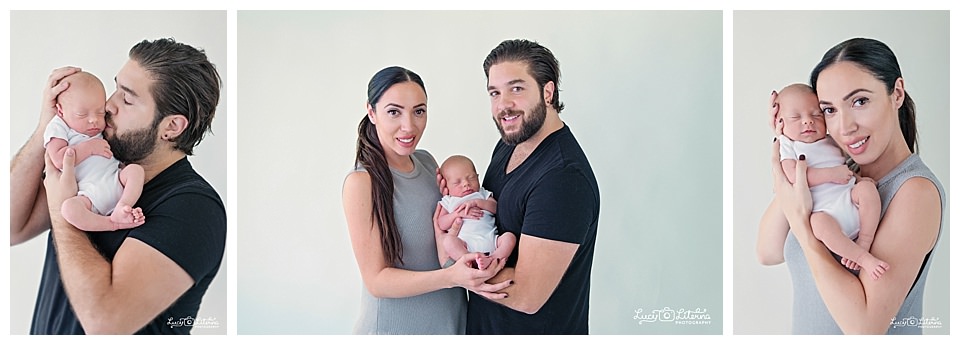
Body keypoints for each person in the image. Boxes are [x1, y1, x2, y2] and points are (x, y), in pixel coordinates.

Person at [9, 38, 226, 334]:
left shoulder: (193, 209)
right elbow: (9, 226)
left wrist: (64, 212)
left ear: (172, 127)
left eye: (127, 98)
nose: (108, 105)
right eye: (115, 88)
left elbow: (105, 323)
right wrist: (49, 129)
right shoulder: (96, 159)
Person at [758, 38, 945, 334]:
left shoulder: (913, 192)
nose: (845, 126)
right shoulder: (843, 173)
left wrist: (807, 233)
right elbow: (768, 252)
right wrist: (788, 145)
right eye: (829, 110)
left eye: (859, 101)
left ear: (896, 93)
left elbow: (864, 328)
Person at [342, 66, 511, 335]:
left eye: (418, 111)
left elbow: (447, 234)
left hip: (450, 326)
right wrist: (451, 277)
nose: (409, 126)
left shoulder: (427, 161)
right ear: (371, 112)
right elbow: (377, 281)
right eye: (394, 112)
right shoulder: (362, 183)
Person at [447, 39, 600, 334]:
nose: (503, 105)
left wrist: (453, 272)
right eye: (495, 92)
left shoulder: (563, 178)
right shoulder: (509, 145)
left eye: (516, 88)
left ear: (548, 91)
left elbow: (527, 294)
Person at [772, 83, 886, 279]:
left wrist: (858, 179)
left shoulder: (831, 140)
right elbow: (793, 176)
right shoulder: (788, 144)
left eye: (816, 114)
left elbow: (844, 166)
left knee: (867, 189)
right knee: (817, 224)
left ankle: (865, 241)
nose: (808, 122)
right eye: (796, 117)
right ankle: (863, 258)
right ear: (781, 123)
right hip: (827, 214)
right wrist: (831, 175)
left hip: (849, 200)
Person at [44, 71, 146, 231]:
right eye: (82, 114)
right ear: (60, 111)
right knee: (69, 209)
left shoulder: (100, 126)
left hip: (115, 180)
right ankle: (112, 223)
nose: (94, 120)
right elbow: (58, 159)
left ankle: (123, 206)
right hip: (88, 195)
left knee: (136, 171)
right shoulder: (58, 127)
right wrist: (89, 148)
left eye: (100, 112)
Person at [436, 155, 516, 270]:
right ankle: (468, 259)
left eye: (471, 178)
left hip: (492, 240)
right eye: (457, 182)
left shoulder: (482, 194)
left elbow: (496, 208)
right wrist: (457, 214)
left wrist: (478, 203)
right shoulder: (449, 200)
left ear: (478, 177)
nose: (466, 184)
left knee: (510, 238)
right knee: (448, 242)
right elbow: (442, 223)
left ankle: (493, 259)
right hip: (465, 244)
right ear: (446, 186)